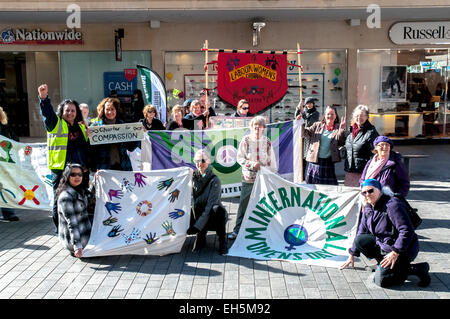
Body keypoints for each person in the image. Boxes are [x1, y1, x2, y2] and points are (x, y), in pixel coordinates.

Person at [340, 179, 430, 288]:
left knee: (382, 281)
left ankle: (418, 269)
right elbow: (361, 231)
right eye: (364, 192)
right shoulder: (368, 207)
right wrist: (352, 254)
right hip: (384, 244)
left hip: (403, 249)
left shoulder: (393, 205)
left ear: (380, 191)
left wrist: (395, 252)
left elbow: (406, 230)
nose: (367, 194)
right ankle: (384, 264)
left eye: (370, 191)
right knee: (360, 241)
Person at [38, 84, 90, 233]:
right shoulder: (56, 124)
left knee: (79, 198)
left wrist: (86, 165)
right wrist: (43, 98)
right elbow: (47, 114)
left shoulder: (81, 128)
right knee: (59, 200)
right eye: (67, 110)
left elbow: (86, 149)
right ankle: (60, 230)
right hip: (60, 169)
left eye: (73, 110)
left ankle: (78, 227)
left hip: (79, 170)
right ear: (62, 111)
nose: (70, 113)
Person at [228, 116, 278, 240]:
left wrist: (272, 175)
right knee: (243, 205)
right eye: (255, 125)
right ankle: (237, 230)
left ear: (263, 128)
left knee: (264, 205)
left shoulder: (267, 142)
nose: (257, 128)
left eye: (260, 126)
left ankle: (264, 231)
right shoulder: (246, 140)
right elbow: (239, 158)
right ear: (251, 127)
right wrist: (251, 164)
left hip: (263, 180)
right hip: (248, 178)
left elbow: (272, 162)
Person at [187, 149, 228, 255]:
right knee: (193, 206)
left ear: (208, 161)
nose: (200, 164)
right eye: (197, 161)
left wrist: (197, 226)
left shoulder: (215, 180)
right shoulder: (191, 177)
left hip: (212, 216)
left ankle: (223, 241)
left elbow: (210, 205)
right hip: (199, 212)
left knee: (218, 210)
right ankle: (200, 237)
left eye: (203, 160)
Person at [301, 105, 346, 185]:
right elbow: (304, 133)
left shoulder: (338, 127)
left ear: (336, 116)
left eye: (332, 114)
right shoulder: (317, 125)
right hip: (314, 162)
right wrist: (301, 122)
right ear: (324, 115)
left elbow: (341, 142)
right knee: (313, 188)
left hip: (328, 163)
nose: (330, 116)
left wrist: (342, 130)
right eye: (328, 114)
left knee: (329, 190)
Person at [89, 97, 138, 171]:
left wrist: (139, 134)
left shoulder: (123, 125)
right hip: (103, 167)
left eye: (112, 109)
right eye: (107, 109)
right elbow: (91, 151)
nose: (110, 112)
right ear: (103, 110)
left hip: (123, 166)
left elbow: (131, 148)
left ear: (116, 110)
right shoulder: (96, 127)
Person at [55, 163, 92, 258]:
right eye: (73, 174)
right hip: (75, 241)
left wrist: (97, 179)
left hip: (85, 232)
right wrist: (77, 247)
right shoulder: (66, 197)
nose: (77, 177)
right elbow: (72, 223)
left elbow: (93, 196)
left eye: (80, 174)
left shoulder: (81, 190)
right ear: (67, 176)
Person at [343, 105, 379, 187]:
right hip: (350, 171)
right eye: (356, 116)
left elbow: (376, 152)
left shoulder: (371, 132)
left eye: (362, 116)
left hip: (364, 172)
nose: (359, 118)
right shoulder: (351, 131)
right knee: (349, 196)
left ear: (367, 117)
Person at [0, 106, 19, 221]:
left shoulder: (4, 127)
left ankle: (8, 212)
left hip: (4, 163)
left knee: (5, 186)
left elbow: (15, 140)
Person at [295, 97, 320, 178]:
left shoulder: (316, 113)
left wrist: (302, 112)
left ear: (313, 104)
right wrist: (298, 108)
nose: (309, 105)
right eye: (307, 103)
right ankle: (301, 176)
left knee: (308, 157)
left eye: (310, 103)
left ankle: (308, 176)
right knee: (300, 157)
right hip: (301, 136)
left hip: (310, 137)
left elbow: (309, 123)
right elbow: (296, 118)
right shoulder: (303, 112)